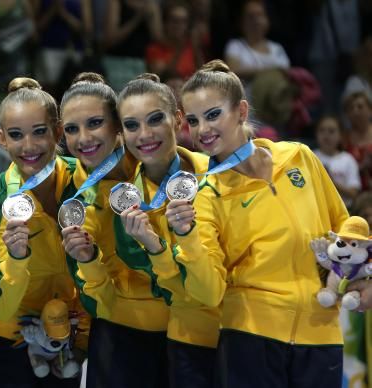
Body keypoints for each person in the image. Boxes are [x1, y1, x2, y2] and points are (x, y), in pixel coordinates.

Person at [166, 59, 349, 388]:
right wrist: (187, 235)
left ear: (241, 111)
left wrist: (359, 276)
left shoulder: (299, 157)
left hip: (321, 334)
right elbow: (209, 292)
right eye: (193, 121)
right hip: (250, 338)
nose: (203, 130)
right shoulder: (206, 196)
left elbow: (345, 226)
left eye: (213, 115)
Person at [60, 72, 178, 388]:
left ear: (118, 125)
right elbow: (92, 298)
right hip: (116, 339)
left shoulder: (157, 165)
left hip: (183, 332)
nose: (83, 138)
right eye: (72, 129)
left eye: (94, 123)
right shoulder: (71, 193)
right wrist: (88, 259)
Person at [0, 77, 83, 388]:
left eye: (39, 132)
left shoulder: (82, 179)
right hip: (1, 339)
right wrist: (18, 259)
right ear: (2, 139)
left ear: (58, 132)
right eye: (16, 135)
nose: (28, 146)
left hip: (61, 332)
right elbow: (0, 305)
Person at [116, 73, 218, 387]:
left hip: (246, 331)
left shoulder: (219, 171)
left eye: (154, 120)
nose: (144, 135)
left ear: (177, 119)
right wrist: (153, 245)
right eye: (131, 125)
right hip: (190, 340)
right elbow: (173, 290)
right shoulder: (126, 206)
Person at [313, 115, 361, 208]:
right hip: (318, 210)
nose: (326, 135)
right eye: (322, 130)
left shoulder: (348, 159)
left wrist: (330, 181)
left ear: (340, 136)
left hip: (344, 209)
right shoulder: (310, 156)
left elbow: (354, 194)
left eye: (331, 131)